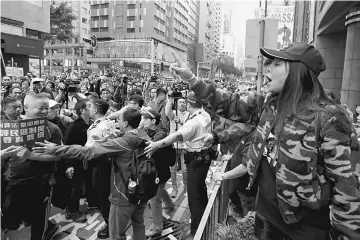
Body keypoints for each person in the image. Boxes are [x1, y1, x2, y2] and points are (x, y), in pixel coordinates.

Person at [185, 43, 360, 240]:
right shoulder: (269, 104)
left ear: (297, 71)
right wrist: (192, 79)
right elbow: (228, 104)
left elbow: (347, 189)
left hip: (306, 229)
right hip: (266, 218)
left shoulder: (330, 118)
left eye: (276, 64)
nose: (268, 68)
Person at [32, 108, 150, 240]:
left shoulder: (123, 142)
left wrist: (56, 149)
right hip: (142, 189)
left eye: (119, 120)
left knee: (116, 233)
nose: (117, 122)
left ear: (126, 123)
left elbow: (87, 152)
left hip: (123, 194)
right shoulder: (143, 135)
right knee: (138, 223)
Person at [145, 93, 214, 240]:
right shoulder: (205, 115)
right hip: (204, 158)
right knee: (200, 191)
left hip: (196, 160)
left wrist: (157, 144)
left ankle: (196, 231)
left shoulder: (193, 122)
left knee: (194, 196)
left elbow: (176, 136)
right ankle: (203, 217)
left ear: (189, 105)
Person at [2, 92, 63, 240]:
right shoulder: (9, 127)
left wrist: (31, 156)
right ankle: (51, 226)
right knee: (18, 213)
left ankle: (45, 232)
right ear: (26, 107)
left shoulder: (52, 129)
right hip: (13, 181)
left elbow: (60, 155)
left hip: (40, 183)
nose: (45, 112)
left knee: (38, 220)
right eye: (41, 108)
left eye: (46, 108)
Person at [51, 100, 91, 223]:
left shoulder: (89, 123)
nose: (93, 108)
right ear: (83, 110)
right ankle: (72, 211)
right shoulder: (74, 127)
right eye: (90, 106)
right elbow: (67, 146)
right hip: (73, 162)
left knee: (79, 187)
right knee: (75, 187)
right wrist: (69, 165)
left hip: (83, 160)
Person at [140, 108, 176, 238]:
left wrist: (139, 129)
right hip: (160, 172)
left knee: (154, 201)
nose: (142, 121)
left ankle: (157, 228)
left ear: (153, 121)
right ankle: (170, 204)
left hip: (159, 173)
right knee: (160, 191)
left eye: (145, 119)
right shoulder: (152, 131)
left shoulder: (160, 135)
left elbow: (147, 145)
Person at [165, 95, 190, 197]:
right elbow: (167, 112)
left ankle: (186, 187)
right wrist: (170, 100)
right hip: (174, 145)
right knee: (173, 168)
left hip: (185, 145)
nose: (182, 104)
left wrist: (179, 122)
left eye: (183, 102)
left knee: (185, 169)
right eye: (180, 102)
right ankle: (174, 188)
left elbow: (188, 128)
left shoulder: (189, 114)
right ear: (176, 104)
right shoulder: (173, 113)